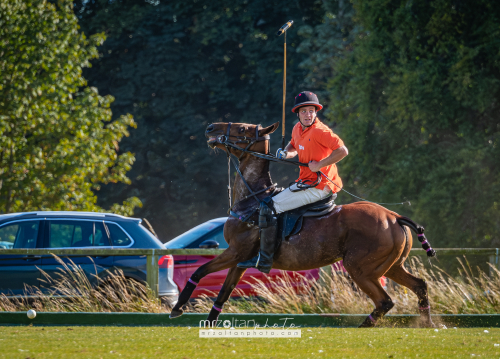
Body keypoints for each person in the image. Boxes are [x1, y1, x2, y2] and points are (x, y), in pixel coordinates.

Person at [238, 91, 348, 273]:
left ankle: (264, 260)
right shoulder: (297, 128)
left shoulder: (321, 132)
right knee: (268, 200)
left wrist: (319, 164)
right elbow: (293, 145)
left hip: (321, 186)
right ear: (298, 113)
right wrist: (285, 152)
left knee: (268, 207)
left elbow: (342, 151)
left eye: (311, 111)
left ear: (316, 112)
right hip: (306, 182)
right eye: (304, 111)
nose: (308, 114)